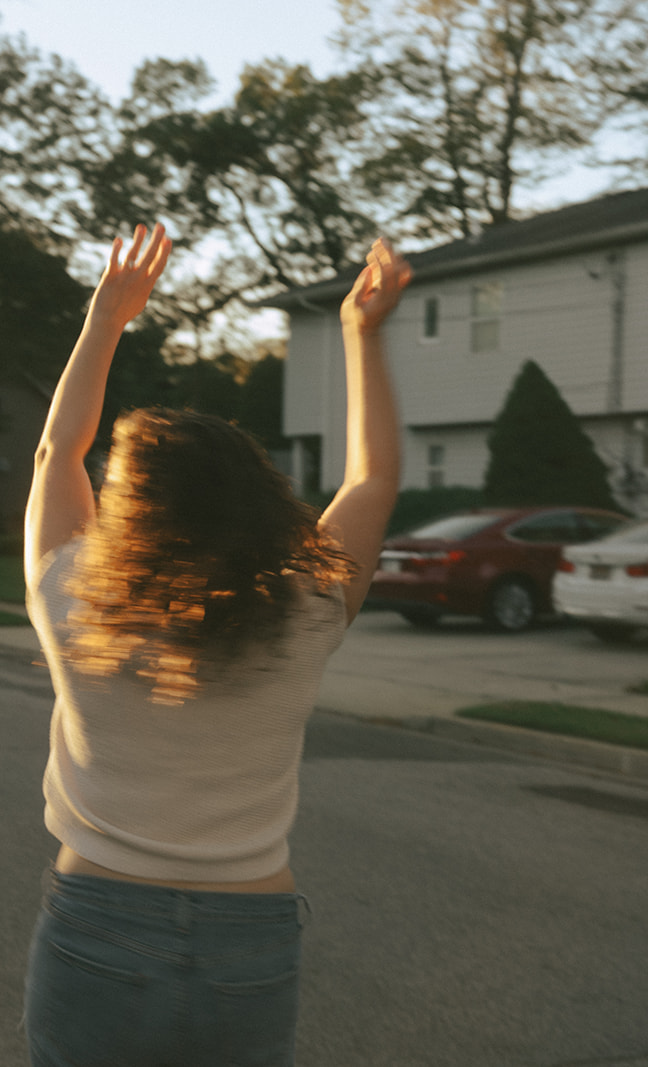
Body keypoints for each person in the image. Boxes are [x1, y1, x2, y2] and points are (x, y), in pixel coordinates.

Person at [21, 224, 410, 1065]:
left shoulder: (72, 597)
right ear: (255, 500)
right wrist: (361, 331)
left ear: (128, 510)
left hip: (97, 919)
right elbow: (373, 480)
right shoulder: (308, 608)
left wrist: (105, 320)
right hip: (250, 932)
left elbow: (60, 449)